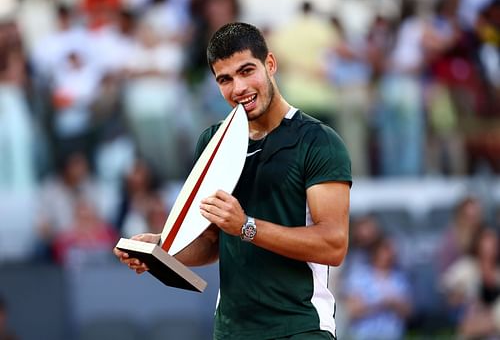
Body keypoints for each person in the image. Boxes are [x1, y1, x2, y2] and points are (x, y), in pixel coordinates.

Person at [114, 22, 352, 340]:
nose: (238, 88)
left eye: (246, 71)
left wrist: (246, 226)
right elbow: (212, 242)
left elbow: (333, 244)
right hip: (231, 331)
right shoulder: (212, 143)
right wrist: (160, 249)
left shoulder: (318, 141)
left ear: (271, 64)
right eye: (225, 79)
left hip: (300, 327)